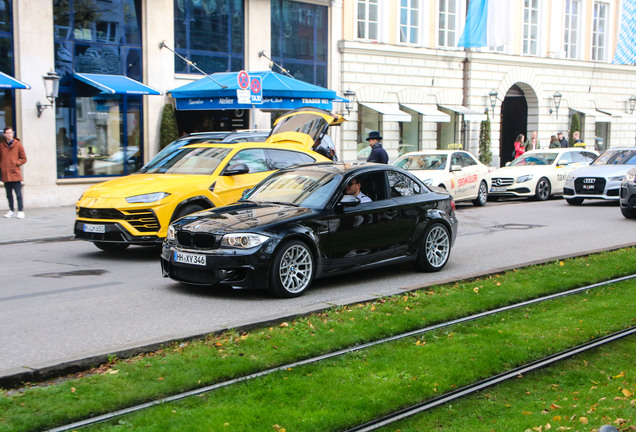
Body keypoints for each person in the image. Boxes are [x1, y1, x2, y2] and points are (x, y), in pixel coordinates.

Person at [0, 127, 27, 218]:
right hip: (5, 173)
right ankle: (11, 210)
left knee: (18, 194)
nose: (9, 135)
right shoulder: (1, 146)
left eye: (11, 133)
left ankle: (20, 211)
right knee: (8, 194)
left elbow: (24, 158)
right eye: (7, 133)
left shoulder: (18, 144)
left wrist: (16, 163)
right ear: (4, 134)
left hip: (15, 173)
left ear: (13, 134)